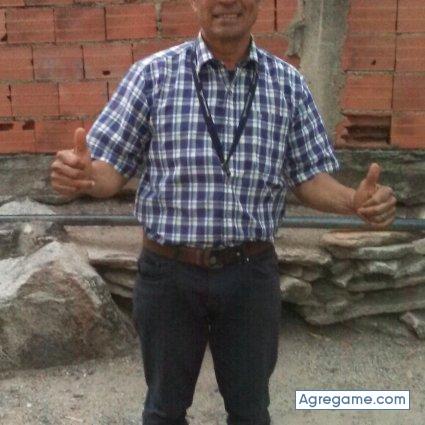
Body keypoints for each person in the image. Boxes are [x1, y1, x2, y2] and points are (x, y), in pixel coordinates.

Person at [50, 0, 397, 423]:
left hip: (250, 276)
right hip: (169, 275)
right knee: (164, 409)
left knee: (251, 411)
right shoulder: (153, 76)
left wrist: (352, 202)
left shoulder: (288, 84)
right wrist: (85, 176)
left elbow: (308, 177)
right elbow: (111, 171)